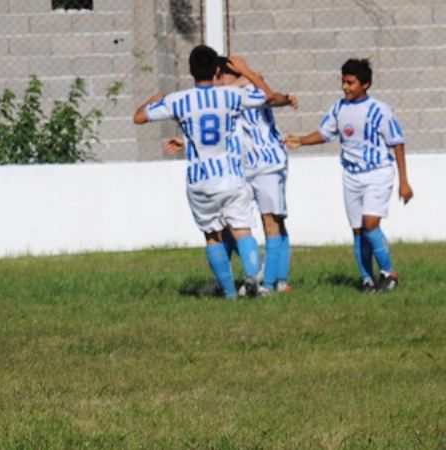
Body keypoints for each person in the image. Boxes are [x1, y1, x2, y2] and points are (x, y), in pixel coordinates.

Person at [134, 45, 275, 299]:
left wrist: (152, 101)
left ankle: (230, 293)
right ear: (217, 70)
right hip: (231, 177)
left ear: (189, 70)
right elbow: (267, 95)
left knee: (212, 236)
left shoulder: (179, 100)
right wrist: (246, 71)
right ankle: (252, 278)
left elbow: (139, 118)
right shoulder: (231, 95)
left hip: (200, 181)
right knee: (242, 229)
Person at [285, 58, 413, 292]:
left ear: (365, 84)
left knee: (370, 224)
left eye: (351, 83)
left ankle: (389, 273)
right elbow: (325, 134)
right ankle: (367, 279)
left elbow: (398, 143)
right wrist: (301, 141)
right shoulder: (339, 108)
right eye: (343, 82)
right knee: (357, 230)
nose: (345, 87)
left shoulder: (380, 110)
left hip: (378, 173)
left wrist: (404, 182)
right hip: (351, 175)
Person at [215, 57, 297, 294]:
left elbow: (273, 97)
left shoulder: (252, 88)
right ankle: (273, 279)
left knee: (272, 222)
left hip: (268, 163)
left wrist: (248, 74)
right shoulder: (229, 94)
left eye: (217, 76)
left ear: (222, 73)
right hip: (245, 167)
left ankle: (271, 284)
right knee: (242, 222)